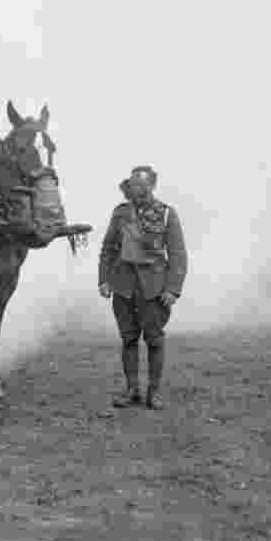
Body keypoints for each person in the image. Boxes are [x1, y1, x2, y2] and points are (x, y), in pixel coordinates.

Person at [99, 165, 188, 409]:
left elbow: (178, 255)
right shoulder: (120, 214)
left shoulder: (166, 214)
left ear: (152, 186)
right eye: (133, 184)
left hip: (153, 288)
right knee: (128, 339)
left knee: (154, 340)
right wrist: (104, 279)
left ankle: (154, 392)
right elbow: (108, 249)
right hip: (124, 285)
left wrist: (172, 289)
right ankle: (131, 390)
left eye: (142, 185)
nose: (137, 189)